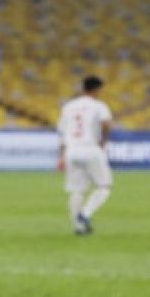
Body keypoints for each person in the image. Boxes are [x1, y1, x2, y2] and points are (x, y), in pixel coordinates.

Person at [57, 75, 113, 235]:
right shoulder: (98, 105)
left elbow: (62, 133)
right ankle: (85, 215)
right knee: (104, 186)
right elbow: (106, 123)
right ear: (97, 90)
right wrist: (103, 141)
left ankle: (78, 227)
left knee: (77, 190)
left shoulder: (68, 107)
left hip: (71, 150)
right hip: (90, 148)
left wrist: (61, 156)